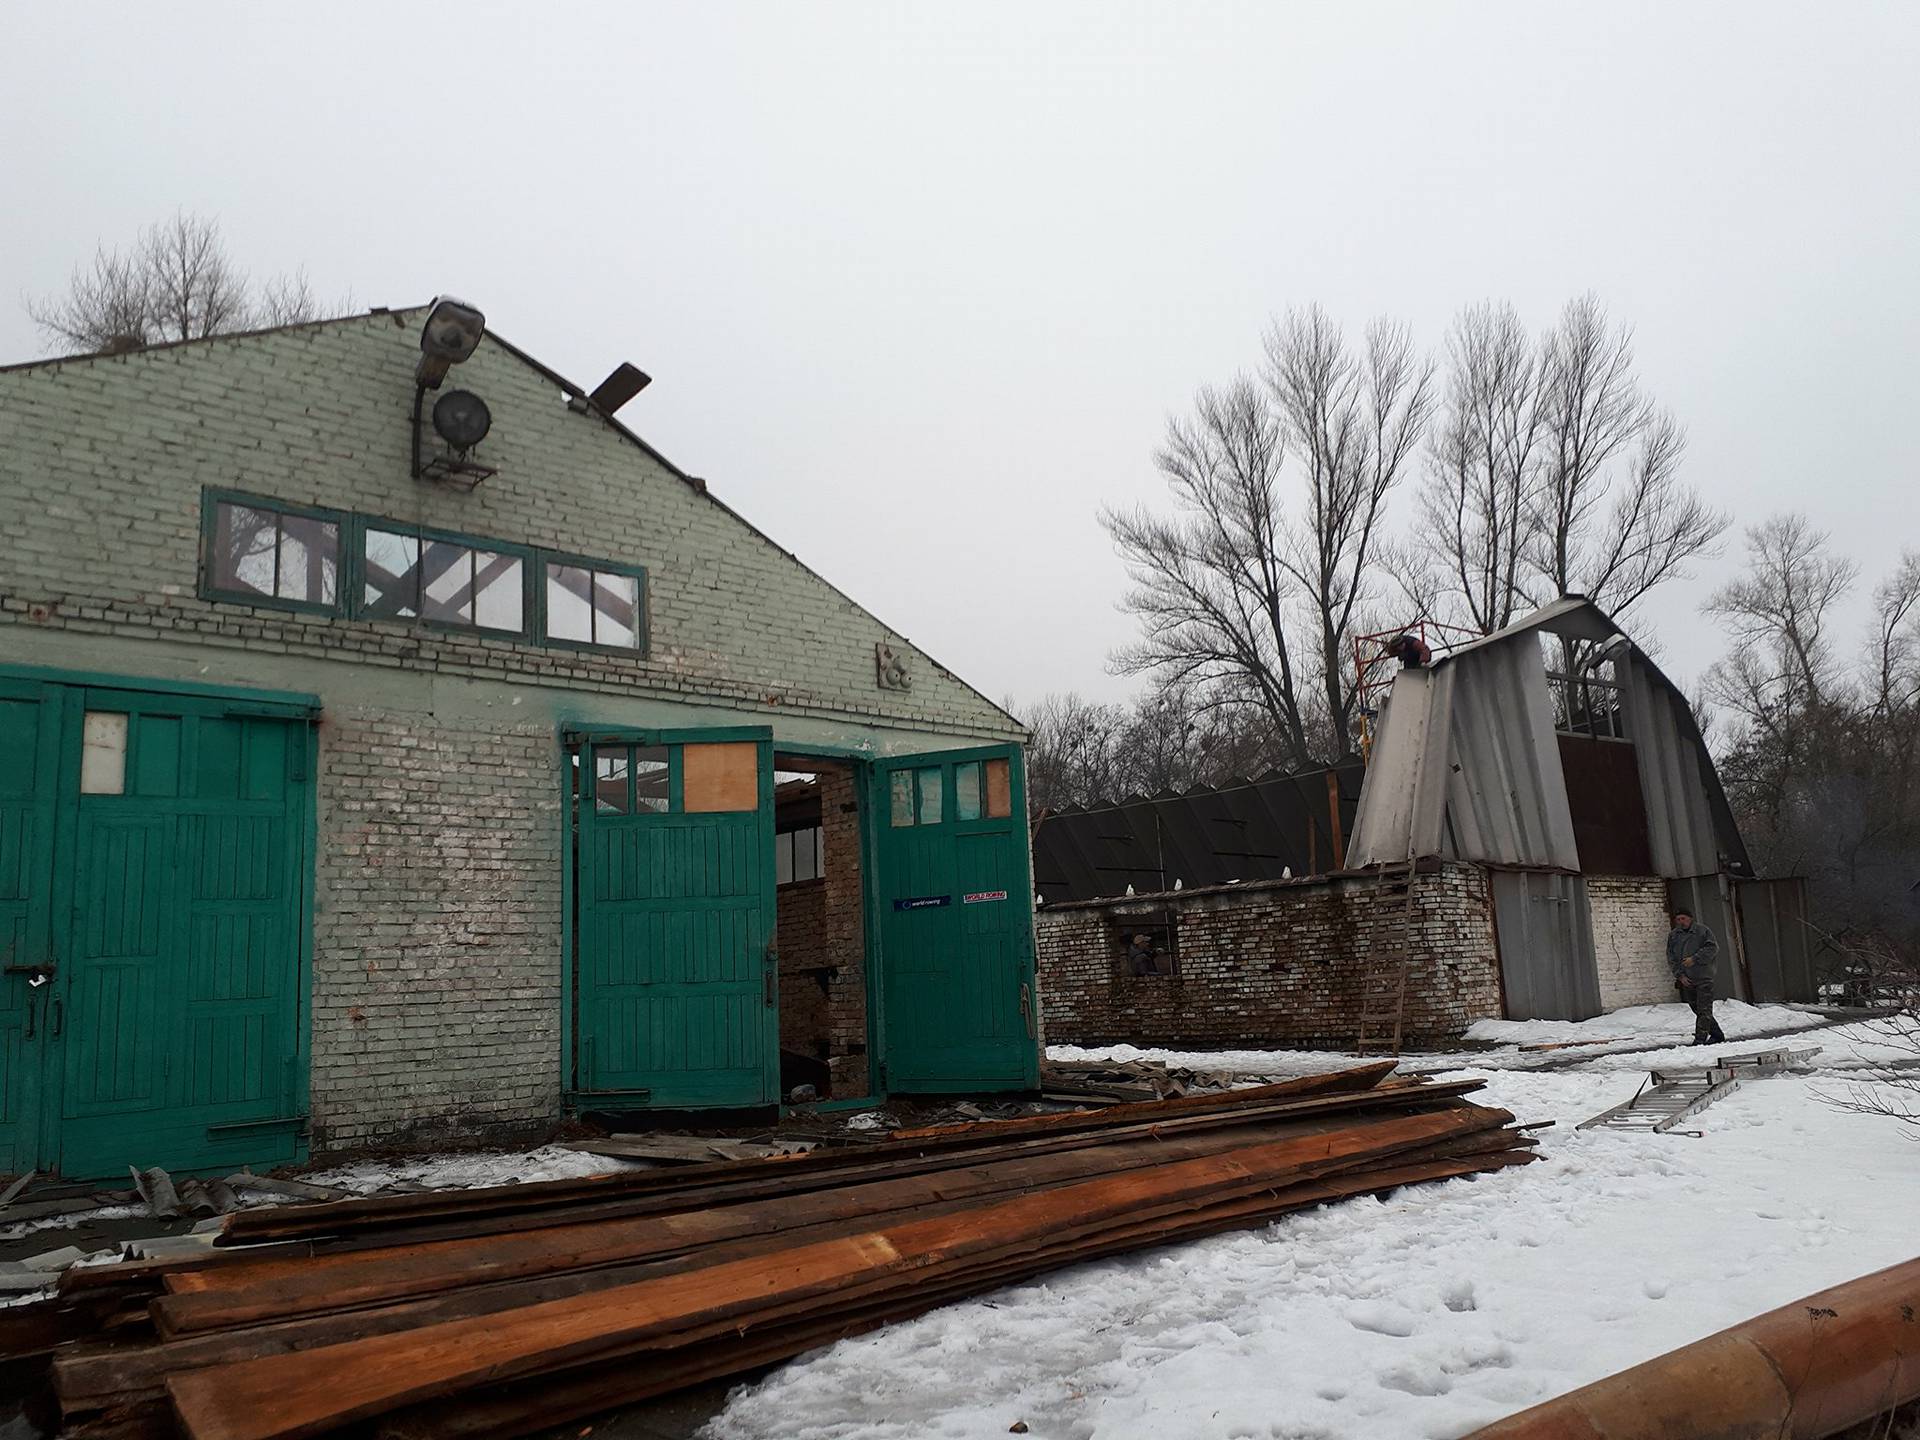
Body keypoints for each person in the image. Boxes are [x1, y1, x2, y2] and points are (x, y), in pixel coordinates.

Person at [1667, 910, 1726, 1045]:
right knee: (1697, 1008)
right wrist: (1680, 975)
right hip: (1687, 979)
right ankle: (1717, 1034)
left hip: (1703, 976)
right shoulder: (1674, 936)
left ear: (1690, 918)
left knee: (1704, 1008)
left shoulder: (1702, 931)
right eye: (1678, 919)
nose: (1681, 922)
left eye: (1683, 918)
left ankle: (1700, 1039)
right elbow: (1671, 957)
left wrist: (1695, 959)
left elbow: (1712, 948)